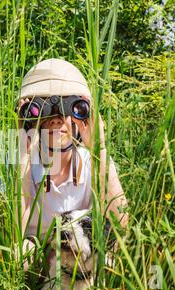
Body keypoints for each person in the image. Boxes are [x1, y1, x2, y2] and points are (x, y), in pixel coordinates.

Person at [14, 58, 129, 274]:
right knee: (22, 255)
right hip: (37, 260)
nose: (56, 120)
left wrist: (99, 149)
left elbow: (120, 227)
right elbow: (15, 233)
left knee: (111, 257)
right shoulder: (24, 164)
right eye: (45, 109)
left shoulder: (90, 161)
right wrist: (23, 154)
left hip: (79, 256)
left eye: (68, 108)